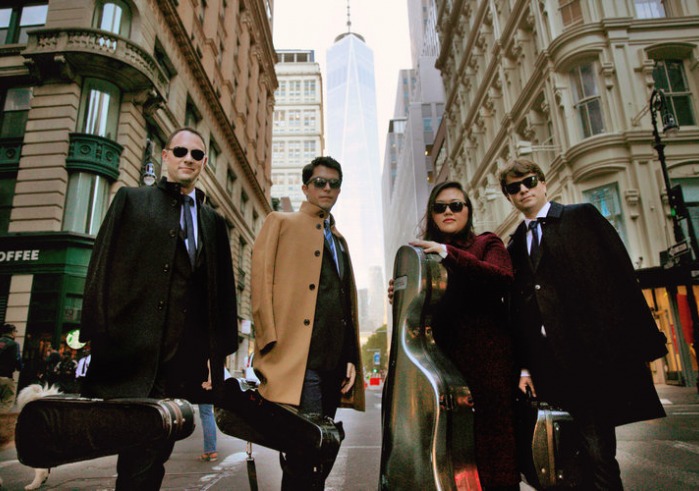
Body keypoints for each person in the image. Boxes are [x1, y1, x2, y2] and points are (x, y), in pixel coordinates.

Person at [80, 127, 238, 490]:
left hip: (183, 360)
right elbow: (101, 266)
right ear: (165, 156)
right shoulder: (131, 200)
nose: (188, 158)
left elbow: (221, 296)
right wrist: (96, 338)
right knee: (139, 449)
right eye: (180, 151)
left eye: (196, 154)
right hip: (132, 353)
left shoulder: (212, 221)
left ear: (203, 164)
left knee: (158, 447)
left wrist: (217, 360)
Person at [498, 158, 667, 490]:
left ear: (544, 183)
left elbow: (620, 275)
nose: (523, 191)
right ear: (509, 197)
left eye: (529, 182)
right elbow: (516, 313)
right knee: (564, 460)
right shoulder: (515, 245)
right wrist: (523, 368)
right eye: (514, 188)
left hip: (588, 362)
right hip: (546, 370)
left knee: (599, 452)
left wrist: (641, 343)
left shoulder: (581, 217)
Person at [389, 181, 520, 490]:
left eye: (456, 205)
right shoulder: (422, 255)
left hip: (488, 364)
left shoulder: (487, 243)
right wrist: (404, 293)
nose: (448, 211)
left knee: (494, 453)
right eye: (440, 207)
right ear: (431, 214)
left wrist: (448, 253)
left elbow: (502, 278)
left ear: (468, 210)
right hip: (440, 364)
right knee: (446, 452)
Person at [251, 156, 365, 490]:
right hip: (299, 362)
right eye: (319, 182)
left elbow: (344, 304)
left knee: (322, 449)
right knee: (307, 450)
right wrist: (269, 342)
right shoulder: (280, 222)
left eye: (334, 183)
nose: (327, 188)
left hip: (333, 365)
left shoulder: (338, 240)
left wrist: (350, 359)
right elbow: (261, 283)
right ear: (305, 187)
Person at [0, 323, 23, 412]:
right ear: (12, 332)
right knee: (7, 403)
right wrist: (20, 367)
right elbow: (17, 359)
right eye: (15, 331)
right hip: (6, 377)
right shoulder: (14, 344)